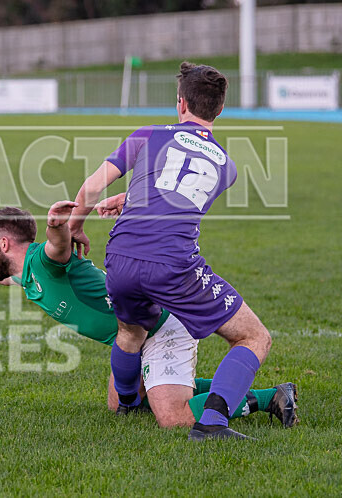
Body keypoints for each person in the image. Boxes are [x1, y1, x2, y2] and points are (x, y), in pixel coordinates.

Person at [67, 62, 280, 440]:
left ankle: (128, 404)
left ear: (180, 102)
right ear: (220, 108)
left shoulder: (148, 134)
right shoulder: (226, 167)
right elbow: (179, 193)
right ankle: (213, 423)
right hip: (172, 265)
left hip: (120, 259)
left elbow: (93, 187)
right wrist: (133, 197)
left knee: (130, 331)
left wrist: (76, 226)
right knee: (254, 337)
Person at [0, 204, 297, 429]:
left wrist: (57, 225)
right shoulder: (27, 273)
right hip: (133, 337)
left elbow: (59, 247)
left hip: (160, 328)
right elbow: (7, 276)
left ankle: (269, 397)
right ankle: (178, 385)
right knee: (120, 403)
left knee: (172, 418)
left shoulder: (44, 261)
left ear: (5, 244)